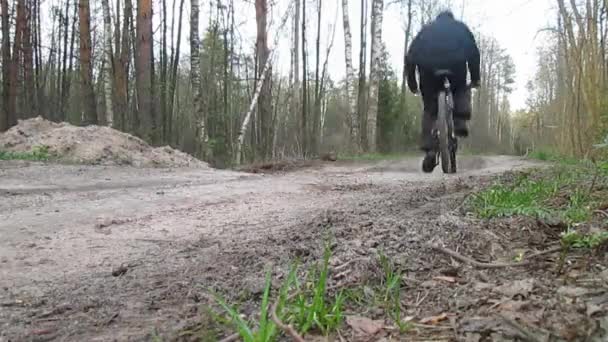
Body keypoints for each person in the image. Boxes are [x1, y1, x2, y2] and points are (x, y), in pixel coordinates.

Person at [405, 10, 480, 173]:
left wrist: (412, 82)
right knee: (461, 88)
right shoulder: (460, 28)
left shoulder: (426, 31)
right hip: (456, 68)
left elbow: (410, 57)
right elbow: (474, 53)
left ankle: (429, 148)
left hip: (428, 72)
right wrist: (475, 78)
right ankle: (460, 120)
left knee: (430, 110)